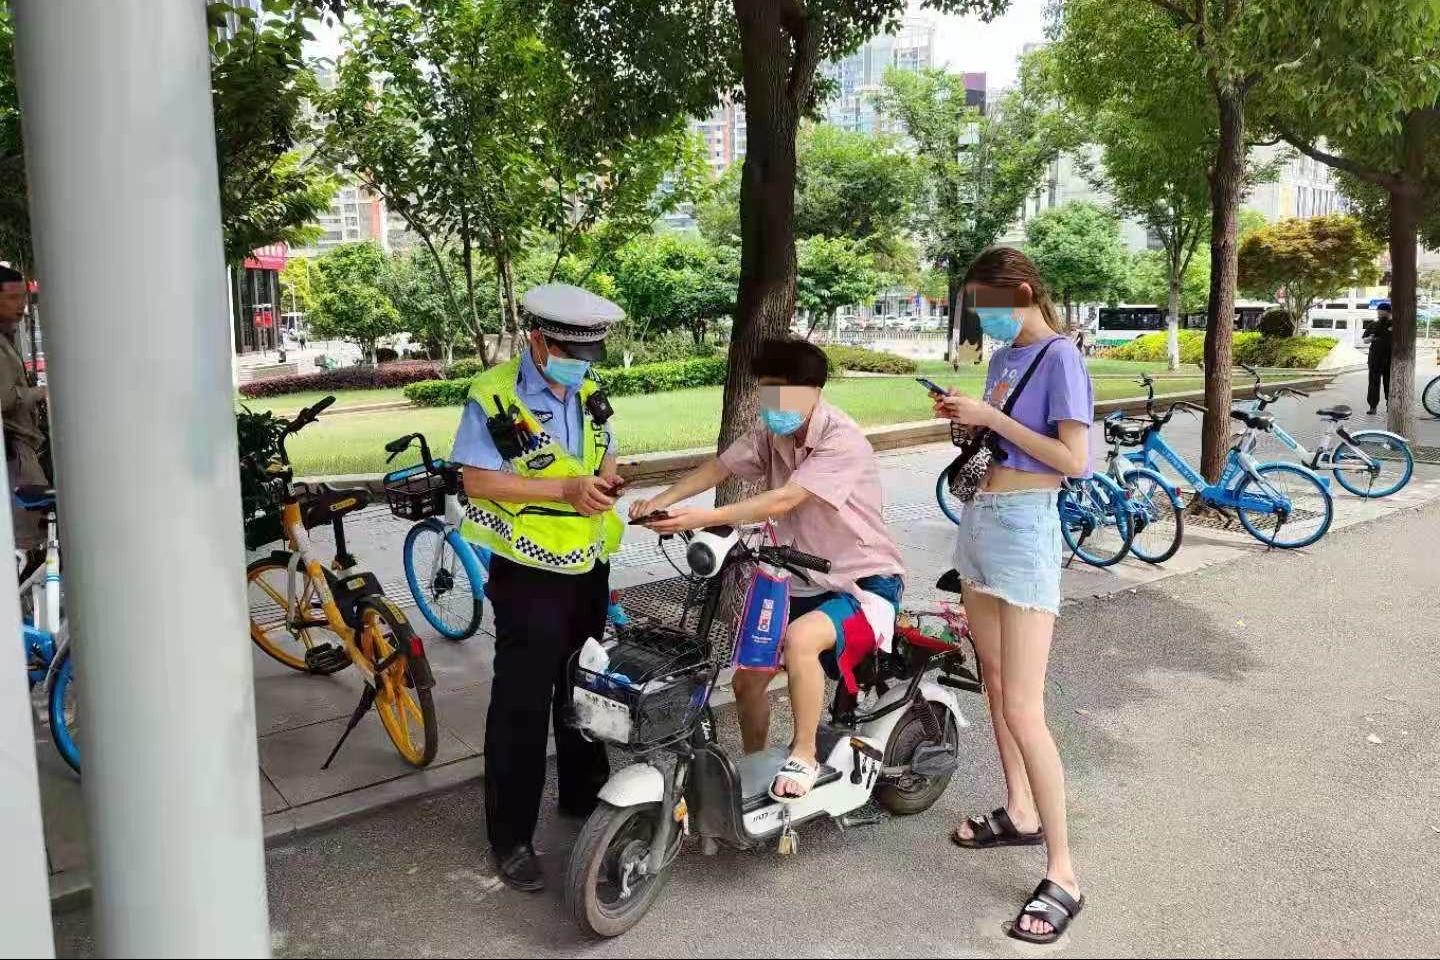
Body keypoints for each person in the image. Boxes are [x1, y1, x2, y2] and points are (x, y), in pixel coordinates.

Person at [630, 338, 905, 801]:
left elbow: (785, 498)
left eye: (781, 392)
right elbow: (719, 468)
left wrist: (702, 517)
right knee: (746, 678)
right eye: (765, 391)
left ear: (813, 390)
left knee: (801, 640)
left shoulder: (843, 439)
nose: (771, 403)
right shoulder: (770, 433)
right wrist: (661, 502)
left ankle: (804, 755)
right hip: (799, 577)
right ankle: (754, 767)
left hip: (861, 583)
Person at [934, 246, 1090, 945]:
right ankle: (1019, 813)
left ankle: (1064, 874)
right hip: (980, 525)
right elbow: (996, 442)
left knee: (1026, 706)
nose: (984, 317)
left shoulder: (1061, 357)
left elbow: (1070, 459)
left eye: (990, 304)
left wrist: (991, 421)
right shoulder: (1001, 363)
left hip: (1027, 527)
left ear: (1022, 291)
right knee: (995, 685)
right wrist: (967, 420)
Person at [451, 282, 625, 892]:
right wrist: (566, 491)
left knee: (584, 684)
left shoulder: (592, 390)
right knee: (522, 702)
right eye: (572, 351)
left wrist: (607, 484)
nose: (584, 364)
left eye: (593, 353)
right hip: (527, 573)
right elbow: (477, 481)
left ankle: (582, 796)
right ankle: (512, 837)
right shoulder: (495, 396)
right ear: (537, 342)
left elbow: (601, 458)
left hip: (586, 565)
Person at [0, 265, 47, 550]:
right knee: (25, 543)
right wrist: (38, 393)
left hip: (22, 451)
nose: (22, 306)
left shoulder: (8, 338)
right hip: (15, 453)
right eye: (13, 298)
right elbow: (4, 398)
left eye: (23, 298)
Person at [1364, 302, 1393, 416]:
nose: (1379, 313)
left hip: (1390, 358)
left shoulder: (1395, 324)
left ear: (1388, 312)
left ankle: (1389, 405)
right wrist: (1370, 338)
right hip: (1375, 359)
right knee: (1373, 383)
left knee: (1389, 383)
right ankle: (1372, 407)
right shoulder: (1373, 325)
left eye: (1381, 311)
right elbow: (1365, 340)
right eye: (1378, 311)